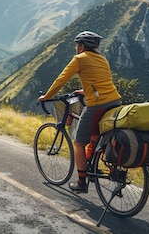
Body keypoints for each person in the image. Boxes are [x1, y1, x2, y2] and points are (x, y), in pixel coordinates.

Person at [37, 31, 121, 193]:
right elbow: (101, 82)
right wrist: (85, 91)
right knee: (98, 137)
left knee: (79, 143)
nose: (76, 48)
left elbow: (61, 79)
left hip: (97, 104)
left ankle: (81, 182)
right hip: (115, 101)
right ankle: (100, 165)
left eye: (77, 45)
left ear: (81, 46)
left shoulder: (79, 59)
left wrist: (46, 96)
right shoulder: (102, 59)